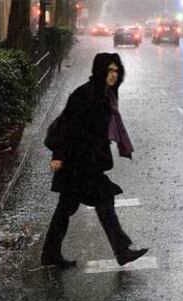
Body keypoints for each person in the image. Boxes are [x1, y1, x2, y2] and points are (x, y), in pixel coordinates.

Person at [41, 53, 148, 268]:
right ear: (99, 70)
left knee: (67, 208)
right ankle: (121, 250)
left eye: (116, 71)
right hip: (77, 164)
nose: (113, 75)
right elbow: (65, 126)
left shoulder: (104, 95)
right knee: (101, 201)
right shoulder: (85, 95)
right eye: (109, 71)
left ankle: (50, 254)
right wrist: (58, 155)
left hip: (86, 163)